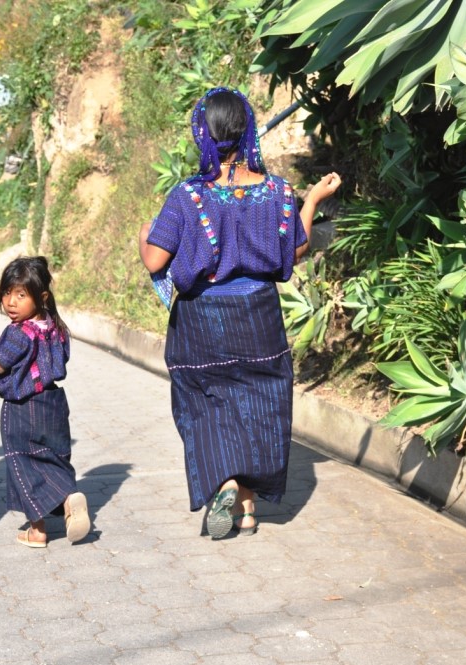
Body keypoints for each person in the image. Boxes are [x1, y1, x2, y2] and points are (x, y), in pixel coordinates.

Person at [138, 87, 341, 539]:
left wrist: (142, 237)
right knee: (258, 404)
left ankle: (225, 483)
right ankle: (248, 508)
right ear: (248, 130)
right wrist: (311, 202)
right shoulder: (277, 192)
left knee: (203, 401)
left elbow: (156, 260)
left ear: (202, 134)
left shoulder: (189, 195)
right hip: (259, 315)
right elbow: (297, 248)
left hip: (202, 318)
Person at [0, 256, 90, 548]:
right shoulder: (56, 327)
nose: (11, 302)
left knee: (23, 463)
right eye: (7, 293)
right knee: (53, 455)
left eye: (21, 295)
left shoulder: (19, 333)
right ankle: (69, 498)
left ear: (41, 296)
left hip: (24, 407)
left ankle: (38, 529)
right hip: (54, 401)